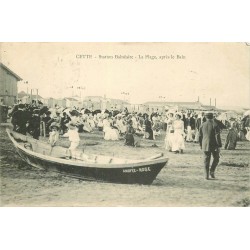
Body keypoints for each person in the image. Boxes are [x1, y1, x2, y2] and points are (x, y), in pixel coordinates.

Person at [199, 112, 222, 180]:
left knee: (206, 160)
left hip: (205, 145)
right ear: (213, 117)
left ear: (206, 117)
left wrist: (201, 145)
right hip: (214, 145)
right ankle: (212, 171)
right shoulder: (215, 124)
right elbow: (217, 136)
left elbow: (200, 136)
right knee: (216, 158)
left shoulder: (202, 125)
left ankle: (206, 175)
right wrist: (219, 146)